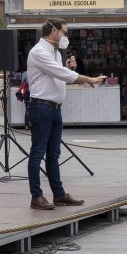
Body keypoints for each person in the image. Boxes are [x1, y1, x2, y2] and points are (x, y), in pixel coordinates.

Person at [25, 18, 105, 210]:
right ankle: (36, 197)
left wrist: (70, 69)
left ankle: (59, 195)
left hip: (54, 108)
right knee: (38, 153)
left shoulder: (55, 53)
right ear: (54, 32)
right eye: (65, 32)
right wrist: (88, 79)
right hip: (42, 108)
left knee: (53, 154)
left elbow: (61, 76)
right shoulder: (39, 52)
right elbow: (61, 75)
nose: (65, 36)